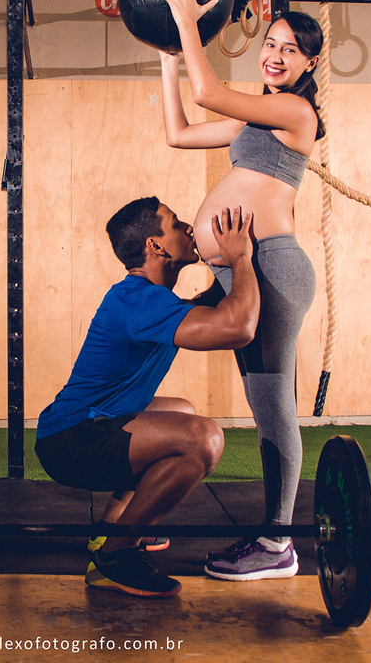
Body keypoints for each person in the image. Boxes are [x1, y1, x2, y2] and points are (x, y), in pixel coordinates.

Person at [155, 0, 325, 581]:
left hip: (272, 268)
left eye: (291, 50)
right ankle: (266, 537)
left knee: (274, 407)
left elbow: (208, 93)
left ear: (308, 65)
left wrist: (186, 21)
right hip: (234, 272)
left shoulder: (296, 116)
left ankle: (278, 543)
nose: (276, 55)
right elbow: (178, 132)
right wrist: (168, 52)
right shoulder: (258, 115)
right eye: (271, 44)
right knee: (164, 338)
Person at [35, 197, 260, 598]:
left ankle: (109, 531)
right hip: (71, 441)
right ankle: (116, 557)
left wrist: (223, 271)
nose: (189, 227)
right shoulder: (137, 301)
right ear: (154, 246)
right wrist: (241, 260)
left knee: (181, 412)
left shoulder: (146, 298)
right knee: (202, 438)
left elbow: (198, 312)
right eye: (175, 224)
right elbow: (238, 327)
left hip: (81, 427)